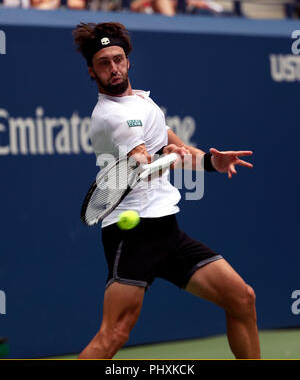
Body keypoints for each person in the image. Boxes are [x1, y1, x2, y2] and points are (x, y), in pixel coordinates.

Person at [73, 22, 261, 359]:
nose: (113, 68)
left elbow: (178, 149)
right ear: (92, 71)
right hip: (132, 233)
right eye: (104, 63)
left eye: (118, 59)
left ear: (128, 60)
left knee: (242, 298)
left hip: (166, 229)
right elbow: (143, 163)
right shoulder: (110, 117)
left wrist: (211, 164)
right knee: (114, 334)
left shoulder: (144, 103)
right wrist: (163, 158)